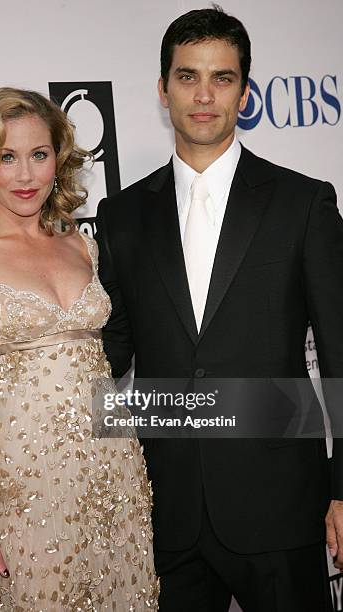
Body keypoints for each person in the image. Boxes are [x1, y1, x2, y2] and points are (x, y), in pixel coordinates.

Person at [93, 7, 343, 612]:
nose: (203, 96)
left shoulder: (303, 203)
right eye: (187, 76)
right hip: (166, 507)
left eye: (222, 78)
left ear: (244, 91)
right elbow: (109, 351)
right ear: (162, 88)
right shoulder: (122, 215)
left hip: (280, 505)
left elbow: (339, 353)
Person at [0, 87, 159, 610]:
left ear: (58, 161)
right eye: (6, 158)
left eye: (39, 155)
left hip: (117, 479)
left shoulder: (83, 245)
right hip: (27, 493)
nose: (25, 175)